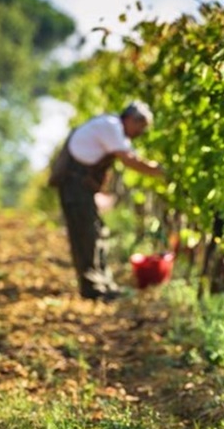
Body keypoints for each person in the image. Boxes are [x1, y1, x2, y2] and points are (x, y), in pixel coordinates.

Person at [52, 100, 163, 301]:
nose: (141, 133)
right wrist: (159, 171)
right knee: (86, 234)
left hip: (80, 185)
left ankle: (102, 282)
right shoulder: (111, 127)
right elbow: (129, 160)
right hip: (73, 184)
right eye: (141, 127)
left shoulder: (115, 130)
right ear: (130, 119)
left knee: (95, 231)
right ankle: (93, 288)